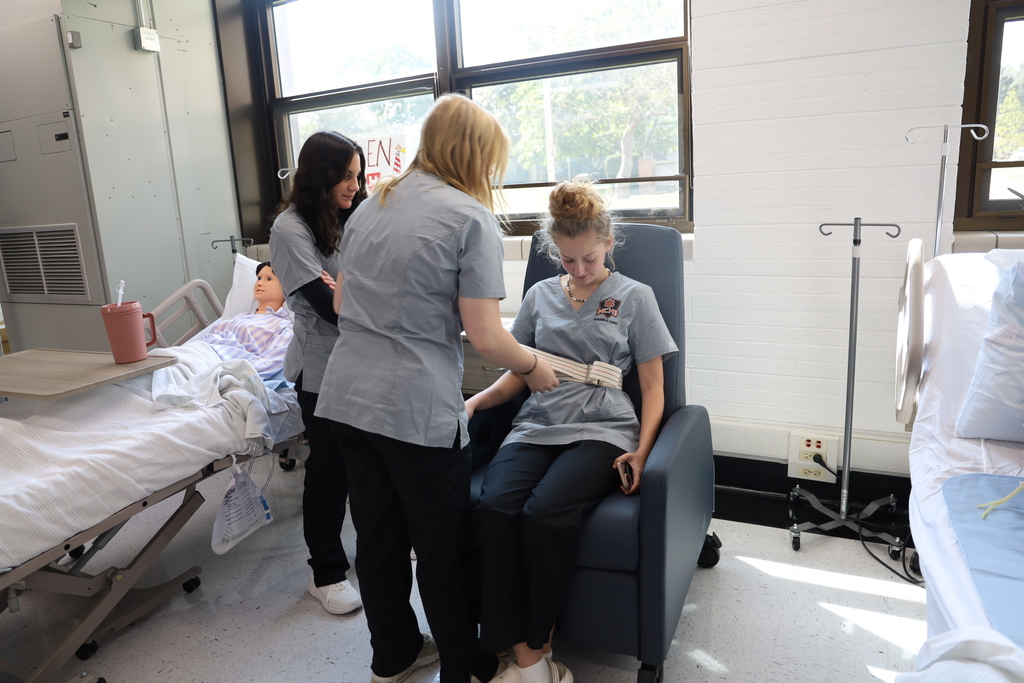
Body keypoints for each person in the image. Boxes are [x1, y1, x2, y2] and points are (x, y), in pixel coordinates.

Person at [314, 94, 559, 683]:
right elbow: (486, 336)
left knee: (377, 539)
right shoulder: (468, 217)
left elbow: (343, 302)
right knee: (443, 545)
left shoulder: (372, 204)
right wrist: (533, 366)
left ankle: (392, 656)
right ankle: (463, 667)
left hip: (348, 399)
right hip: (416, 411)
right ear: (474, 155)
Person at [465, 180, 679, 683]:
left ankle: (535, 647)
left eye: (588, 258)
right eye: (567, 260)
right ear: (554, 251)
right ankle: (523, 653)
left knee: (543, 514)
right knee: (492, 508)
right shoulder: (540, 295)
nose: (580, 270)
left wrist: (644, 452)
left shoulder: (634, 296)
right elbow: (518, 370)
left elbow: (653, 388)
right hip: (538, 422)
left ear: (608, 243)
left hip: (603, 428)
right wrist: (475, 401)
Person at [269, 131, 367, 615]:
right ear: (321, 176)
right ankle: (324, 572)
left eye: (358, 174)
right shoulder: (290, 230)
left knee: (365, 463)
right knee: (330, 471)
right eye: (346, 176)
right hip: (322, 367)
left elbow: (362, 286)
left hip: (362, 359)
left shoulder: (348, 216)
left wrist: (348, 288)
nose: (356, 184)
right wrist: (346, 291)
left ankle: (371, 550)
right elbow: (330, 309)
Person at [200, 261, 293, 379]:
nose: (259, 283)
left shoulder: (284, 327)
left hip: (219, 365)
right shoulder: (241, 316)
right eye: (259, 278)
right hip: (200, 352)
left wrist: (236, 377)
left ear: (286, 288)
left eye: (269, 279)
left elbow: (268, 362)